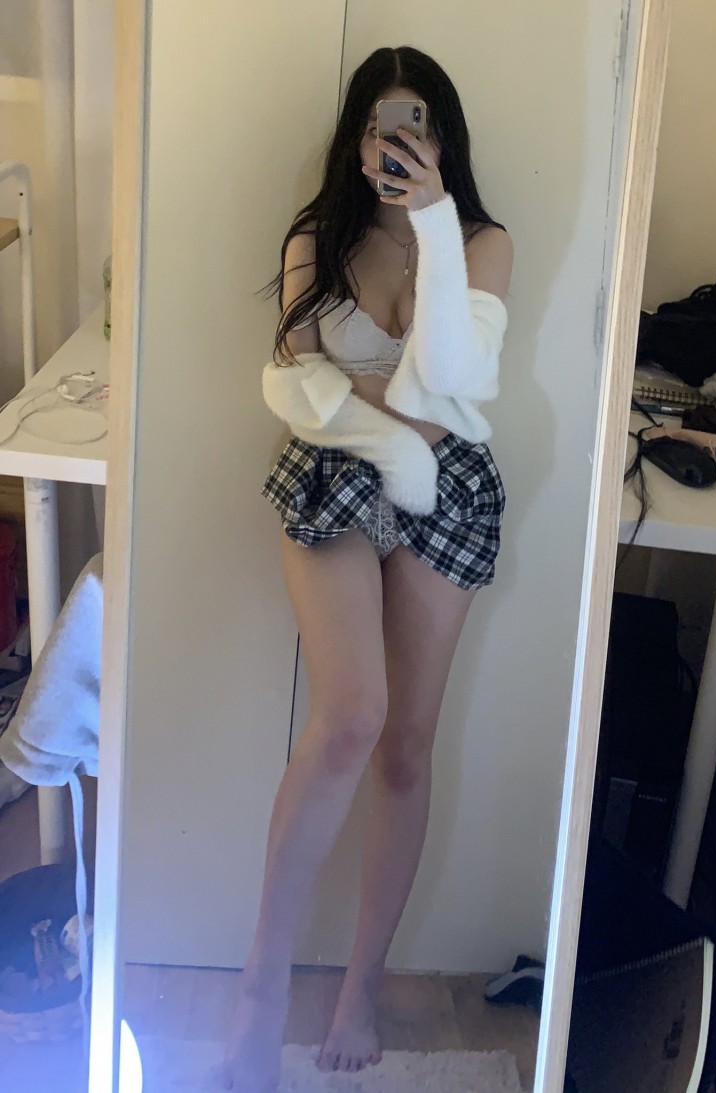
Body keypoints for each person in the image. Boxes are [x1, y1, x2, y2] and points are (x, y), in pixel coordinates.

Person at [220, 44, 513, 1093]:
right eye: (382, 124)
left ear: (442, 139)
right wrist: (395, 418)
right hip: (335, 472)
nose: (398, 144)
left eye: (416, 124)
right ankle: (261, 984)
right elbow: (294, 385)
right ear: (356, 138)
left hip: (448, 485)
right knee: (351, 716)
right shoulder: (318, 239)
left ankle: (360, 982)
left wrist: (432, 224)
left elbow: (459, 377)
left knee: (406, 745)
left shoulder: (479, 243)